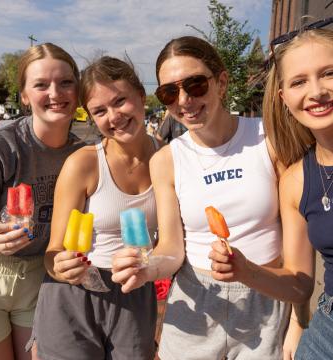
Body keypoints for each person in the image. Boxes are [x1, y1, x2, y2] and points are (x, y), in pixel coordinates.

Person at [111, 35, 301, 360]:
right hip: (196, 296)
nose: (183, 100)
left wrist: (298, 322)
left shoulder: (268, 137)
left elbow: (298, 247)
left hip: (264, 295)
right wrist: (148, 267)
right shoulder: (167, 159)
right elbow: (172, 247)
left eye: (195, 84)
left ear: (221, 82)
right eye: (169, 92)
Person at [209, 19, 333, 360]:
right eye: (299, 81)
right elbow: (300, 284)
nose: (317, 91)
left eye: (329, 73)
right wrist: (245, 270)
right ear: (284, 97)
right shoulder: (296, 180)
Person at [29, 56, 161, 360]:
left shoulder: (168, 159)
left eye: (120, 101)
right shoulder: (84, 164)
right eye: (100, 111)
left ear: (141, 96)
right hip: (75, 293)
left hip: (135, 292)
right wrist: (60, 266)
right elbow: (54, 251)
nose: (113, 116)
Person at [0, 42, 85, 360]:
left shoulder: (83, 154)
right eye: (41, 84)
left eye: (65, 82)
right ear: (24, 95)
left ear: (78, 90)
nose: (55, 93)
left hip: (41, 279)